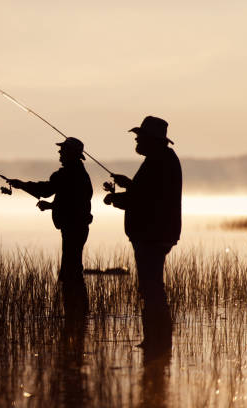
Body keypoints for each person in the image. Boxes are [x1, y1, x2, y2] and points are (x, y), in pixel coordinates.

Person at [103, 116, 182, 352]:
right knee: (151, 286)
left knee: (151, 287)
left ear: (152, 140)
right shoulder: (161, 159)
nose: (136, 140)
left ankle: (157, 342)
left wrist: (116, 198)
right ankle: (157, 341)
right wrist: (128, 183)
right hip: (155, 234)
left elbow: (146, 200)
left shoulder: (159, 161)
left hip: (152, 236)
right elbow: (146, 192)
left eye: (140, 137)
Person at [8, 137, 93, 315]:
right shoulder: (78, 174)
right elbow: (72, 200)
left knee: (71, 272)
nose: (60, 153)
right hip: (77, 227)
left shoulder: (69, 174)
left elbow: (47, 190)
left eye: (63, 150)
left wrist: (22, 185)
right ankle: (78, 314)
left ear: (71, 154)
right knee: (73, 270)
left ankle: (76, 314)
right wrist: (51, 205)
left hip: (73, 228)